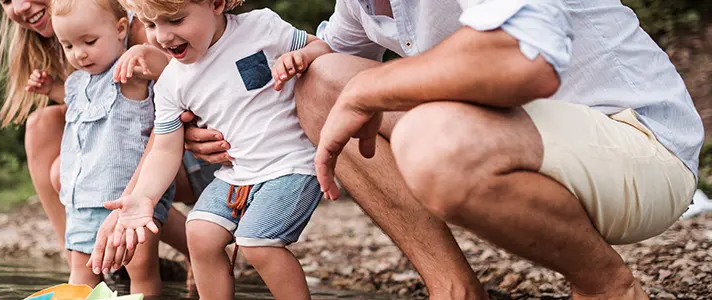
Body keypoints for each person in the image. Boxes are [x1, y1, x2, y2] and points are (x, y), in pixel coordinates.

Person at [180, 1, 703, 299]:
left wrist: (369, 90)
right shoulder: (362, 2)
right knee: (320, 84)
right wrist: (220, 126)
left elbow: (522, 61)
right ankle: (453, 288)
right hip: (540, 141)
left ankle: (606, 287)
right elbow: (324, 60)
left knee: (432, 140)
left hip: (638, 147)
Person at [101, 0, 332, 298]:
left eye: (175, 20)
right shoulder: (172, 81)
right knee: (199, 234)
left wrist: (304, 56)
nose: (163, 36)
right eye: (151, 25)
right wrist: (143, 196)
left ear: (217, 4)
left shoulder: (260, 27)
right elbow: (165, 149)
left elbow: (321, 48)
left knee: (257, 243)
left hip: (291, 162)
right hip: (236, 173)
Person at [0, 0, 212, 294]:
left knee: (142, 275)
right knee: (81, 275)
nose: (79, 53)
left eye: (89, 42)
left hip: (138, 184)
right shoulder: (81, 73)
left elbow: (174, 78)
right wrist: (51, 89)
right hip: (86, 198)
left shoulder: (132, 62)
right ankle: (95, 266)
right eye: (68, 46)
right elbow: (81, 99)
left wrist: (145, 54)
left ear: (119, 30)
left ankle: (193, 249)